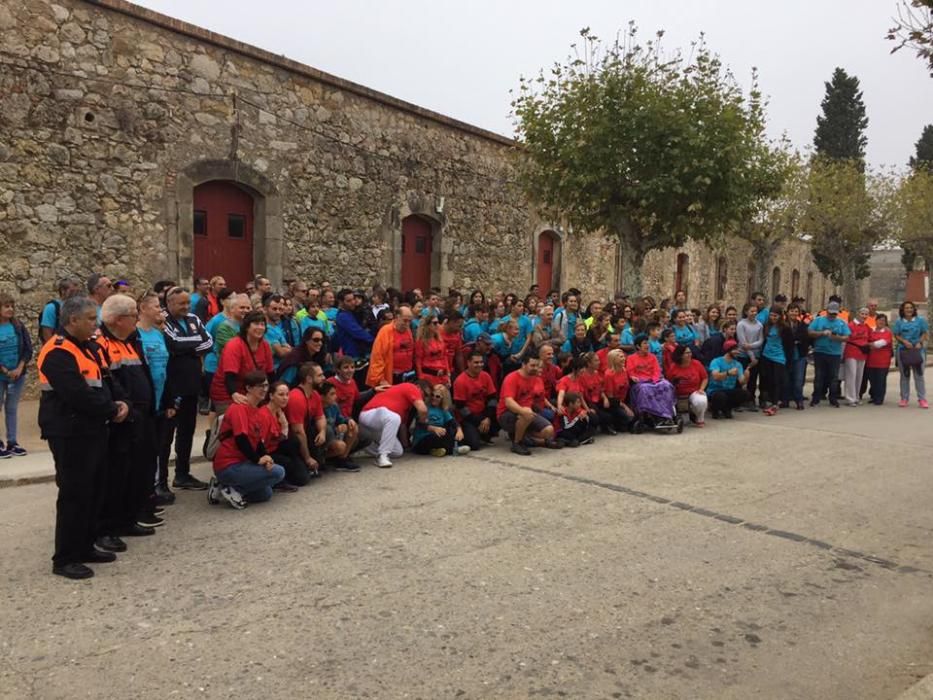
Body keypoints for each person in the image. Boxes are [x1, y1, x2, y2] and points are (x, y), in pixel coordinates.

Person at [38, 296, 129, 579]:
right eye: (91, 319)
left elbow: (105, 380)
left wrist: (120, 401)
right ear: (72, 320)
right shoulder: (57, 351)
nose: (96, 323)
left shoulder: (87, 347)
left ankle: (86, 545)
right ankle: (65, 558)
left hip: (92, 429)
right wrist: (111, 409)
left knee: (94, 490)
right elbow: (76, 394)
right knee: (74, 494)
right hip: (70, 432)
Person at [96, 293, 160, 542]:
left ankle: (128, 519)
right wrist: (128, 408)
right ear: (118, 319)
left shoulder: (129, 341)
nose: (137, 319)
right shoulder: (103, 343)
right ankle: (109, 528)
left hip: (142, 417)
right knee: (117, 476)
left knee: (138, 471)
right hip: (122, 420)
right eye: (133, 315)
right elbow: (111, 383)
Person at [207, 370, 286, 509]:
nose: (264, 389)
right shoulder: (239, 408)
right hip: (228, 465)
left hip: (243, 463)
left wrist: (265, 456)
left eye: (266, 385)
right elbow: (241, 439)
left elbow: (258, 440)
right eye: (260, 386)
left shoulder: (256, 409)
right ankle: (230, 488)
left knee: (265, 494)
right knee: (278, 472)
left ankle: (223, 487)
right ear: (248, 388)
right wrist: (258, 460)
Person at [161, 286, 213, 491]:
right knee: (166, 436)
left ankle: (182, 474)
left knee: (187, 432)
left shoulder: (194, 319)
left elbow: (209, 342)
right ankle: (161, 481)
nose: (186, 307)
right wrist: (192, 346)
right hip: (172, 387)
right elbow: (172, 344)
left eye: (187, 303)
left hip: (191, 386)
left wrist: (186, 348)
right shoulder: (163, 320)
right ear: (169, 303)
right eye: (181, 303)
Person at [136, 291, 176, 506]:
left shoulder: (159, 334)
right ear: (142, 309)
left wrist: (169, 401)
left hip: (161, 400)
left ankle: (154, 488)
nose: (160, 310)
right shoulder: (136, 335)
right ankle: (143, 493)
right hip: (145, 402)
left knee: (158, 446)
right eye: (155, 306)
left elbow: (165, 368)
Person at [210, 310, 274, 413]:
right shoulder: (234, 345)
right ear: (247, 327)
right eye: (256, 324)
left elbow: (270, 374)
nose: (260, 327)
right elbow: (229, 375)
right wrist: (234, 393)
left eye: (262, 324)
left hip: (254, 393)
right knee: (240, 416)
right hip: (228, 393)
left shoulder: (265, 345)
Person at [497, 352, 560, 456]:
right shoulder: (512, 378)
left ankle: (524, 436)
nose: (535, 368)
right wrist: (524, 411)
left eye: (537, 365)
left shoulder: (536, 378)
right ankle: (517, 444)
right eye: (532, 365)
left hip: (528, 413)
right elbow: (508, 402)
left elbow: (537, 399)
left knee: (549, 431)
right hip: (506, 414)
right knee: (527, 414)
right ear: (523, 364)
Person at [358, 381, 430, 468]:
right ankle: (383, 456)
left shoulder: (405, 407)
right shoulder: (411, 387)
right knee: (394, 418)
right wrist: (424, 423)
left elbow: (402, 427)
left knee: (397, 451)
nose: (425, 399)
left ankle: (362, 444)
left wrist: (406, 446)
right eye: (425, 394)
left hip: (376, 423)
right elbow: (423, 410)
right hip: (370, 413)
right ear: (418, 387)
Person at [0, 293, 32, 457]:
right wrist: (5, 370)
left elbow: (28, 349)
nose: (10, 309)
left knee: (11, 409)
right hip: (2, 375)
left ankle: (12, 442)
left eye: (12, 306)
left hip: (17, 375)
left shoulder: (18, 326)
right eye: (6, 306)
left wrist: (19, 368)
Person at [285, 362, 327, 477]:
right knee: (302, 478)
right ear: (309, 379)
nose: (323, 378)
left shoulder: (315, 395)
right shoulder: (296, 398)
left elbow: (321, 417)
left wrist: (322, 432)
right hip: (289, 440)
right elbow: (298, 432)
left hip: (304, 433)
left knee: (325, 430)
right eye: (320, 376)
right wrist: (307, 457)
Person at [453, 351, 498, 451]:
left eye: (481, 362)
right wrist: (479, 421)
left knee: (501, 412)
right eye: (476, 362)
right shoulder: (460, 381)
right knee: (474, 445)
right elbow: (461, 407)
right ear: (468, 363)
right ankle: (476, 433)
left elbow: (492, 398)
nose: (480, 365)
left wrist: (487, 417)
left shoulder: (486, 376)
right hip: (467, 418)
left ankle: (485, 434)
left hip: (483, 413)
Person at [808, 301, 850, 408]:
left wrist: (838, 338)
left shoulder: (841, 323)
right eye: (831, 313)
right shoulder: (819, 320)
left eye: (835, 314)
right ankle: (816, 397)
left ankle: (833, 398)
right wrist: (822, 333)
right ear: (827, 311)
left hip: (834, 353)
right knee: (819, 376)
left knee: (833, 377)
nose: (832, 315)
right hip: (820, 352)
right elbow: (810, 332)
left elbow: (847, 337)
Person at [412, 384, 468, 456]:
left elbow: (453, 422)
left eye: (437, 396)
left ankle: (436, 451)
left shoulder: (443, 410)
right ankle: (454, 449)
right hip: (422, 440)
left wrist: (459, 430)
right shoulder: (424, 407)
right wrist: (433, 428)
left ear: (443, 398)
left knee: (452, 435)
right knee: (436, 438)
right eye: (432, 395)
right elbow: (420, 423)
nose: (434, 398)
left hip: (438, 437)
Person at [367, 304, 415, 387]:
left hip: (407, 375)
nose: (407, 324)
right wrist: (380, 379)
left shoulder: (408, 331)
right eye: (405, 320)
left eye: (410, 321)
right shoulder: (385, 331)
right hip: (392, 377)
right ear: (397, 317)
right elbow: (377, 357)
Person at [892, 301, 929, 408]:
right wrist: (904, 341)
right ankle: (904, 398)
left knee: (919, 375)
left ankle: (922, 399)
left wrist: (919, 342)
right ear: (903, 310)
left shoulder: (920, 320)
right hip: (903, 351)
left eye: (911, 308)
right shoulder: (899, 322)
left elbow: (925, 333)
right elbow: (896, 334)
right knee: (904, 376)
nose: (909, 310)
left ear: (914, 309)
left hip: (917, 350)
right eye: (906, 308)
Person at [318, 382, 361, 470]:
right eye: (332, 394)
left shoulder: (334, 406)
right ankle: (320, 459)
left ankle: (342, 459)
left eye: (335, 393)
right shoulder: (318, 409)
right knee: (340, 446)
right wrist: (336, 429)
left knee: (353, 427)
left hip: (334, 436)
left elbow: (340, 418)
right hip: (321, 441)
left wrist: (348, 421)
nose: (335, 396)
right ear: (322, 396)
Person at [758, 309, 792, 415]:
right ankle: (770, 400)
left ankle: (775, 403)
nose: (773, 318)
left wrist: (788, 360)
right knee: (768, 380)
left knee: (777, 381)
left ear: (780, 316)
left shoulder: (785, 328)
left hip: (779, 356)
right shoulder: (766, 326)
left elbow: (789, 345)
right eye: (771, 315)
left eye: (775, 316)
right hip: (766, 355)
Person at [707, 339, 751, 419]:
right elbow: (715, 376)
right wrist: (728, 373)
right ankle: (715, 410)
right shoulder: (716, 361)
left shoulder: (737, 364)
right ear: (728, 350)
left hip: (729, 390)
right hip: (715, 390)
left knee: (745, 394)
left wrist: (746, 376)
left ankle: (727, 408)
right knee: (720, 396)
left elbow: (742, 382)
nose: (737, 352)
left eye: (738, 349)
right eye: (735, 349)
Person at [666, 345, 709, 426]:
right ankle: (687, 414)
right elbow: (668, 381)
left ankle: (699, 418)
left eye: (690, 352)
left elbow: (705, 378)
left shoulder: (697, 363)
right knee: (685, 422)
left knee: (701, 401)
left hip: (694, 391)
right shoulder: (673, 367)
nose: (689, 354)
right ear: (680, 355)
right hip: (679, 395)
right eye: (687, 353)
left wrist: (701, 389)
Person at [735, 303, 763, 410]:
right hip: (743, 355)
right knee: (740, 379)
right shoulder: (741, 324)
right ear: (746, 312)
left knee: (752, 379)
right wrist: (752, 358)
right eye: (751, 311)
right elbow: (742, 342)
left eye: (755, 311)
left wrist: (751, 346)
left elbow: (760, 340)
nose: (754, 313)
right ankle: (738, 401)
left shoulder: (759, 325)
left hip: (756, 355)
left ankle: (750, 400)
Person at [842, 307, 872, 407]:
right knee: (851, 375)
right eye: (862, 314)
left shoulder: (866, 327)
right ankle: (850, 398)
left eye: (866, 314)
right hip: (851, 352)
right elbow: (845, 339)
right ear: (858, 314)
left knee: (859, 376)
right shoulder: (850, 325)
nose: (864, 316)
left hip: (862, 354)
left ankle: (856, 396)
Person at [39, 277, 82, 344]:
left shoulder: (79, 307)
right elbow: (47, 334)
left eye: (77, 291)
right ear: (63, 291)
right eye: (72, 291)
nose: (75, 294)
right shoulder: (51, 308)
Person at [334, 288, 374, 360]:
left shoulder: (351, 312)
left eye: (353, 299)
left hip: (359, 352)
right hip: (353, 355)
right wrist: (374, 340)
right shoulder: (343, 316)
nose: (353, 302)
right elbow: (357, 332)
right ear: (341, 302)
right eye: (349, 301)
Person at [783, 305, 810, 410]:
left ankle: (799, 400)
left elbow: (805, 339)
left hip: (799, 356)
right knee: (786, 380)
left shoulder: (802, 325)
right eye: (792, 311)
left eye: (796, 311)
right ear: (787, 312)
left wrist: (797, 341)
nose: (793, 313)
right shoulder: (783, 325)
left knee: (798, 380)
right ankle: (785, 400)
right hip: (786, 355)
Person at [602, 349, 634, 432]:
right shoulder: (609, 374)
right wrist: (625, 406)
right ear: (614, 359)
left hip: (623, 399)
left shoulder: (624, 370)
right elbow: (610, 397)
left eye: (623, 356)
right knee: (628, 417)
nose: (624, 358)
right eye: (621, 357)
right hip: (614, 403)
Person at [414, 314, 450, 386]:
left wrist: (448, 374)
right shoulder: (421, 342)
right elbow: (418, 360)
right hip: (428, 376)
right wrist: (421, 377)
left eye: (438, 322)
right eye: (434, 323)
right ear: (427, 325)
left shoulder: (440, 340)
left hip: (442, 376)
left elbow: (445, 357)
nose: (437, 325)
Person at [865, 313, 893, 405]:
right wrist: (872, 344)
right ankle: (874, 396)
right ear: (876, 320)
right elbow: (866, 340)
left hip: (883, 361)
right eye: (879, 320)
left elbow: (882, 343)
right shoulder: (871, 330)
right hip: (871, 360)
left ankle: (879, 398)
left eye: (883, 320)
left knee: (880, 380)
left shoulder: (887, 332)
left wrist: (871, 344)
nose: (881, 322)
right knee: (872, 380)